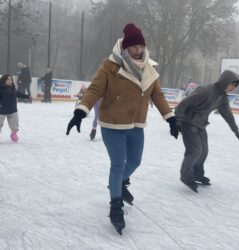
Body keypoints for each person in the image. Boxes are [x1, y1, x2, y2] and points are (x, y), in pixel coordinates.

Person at [66, 23, 178, 235]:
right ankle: (115, 205)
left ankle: (118, 184)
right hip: (113, 123)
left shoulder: (149, 69)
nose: (138, 50)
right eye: (133, 46)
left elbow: (158, 95)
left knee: (135, 161)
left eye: (140, 46)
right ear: (125, 47)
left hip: (136, 123)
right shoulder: (110, 65)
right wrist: (81, 110)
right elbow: (96, 89)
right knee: (117, 165)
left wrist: (170, 118)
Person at [175, 70, 239, 192]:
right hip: (188, 123)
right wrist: (177, 122)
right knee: (195, 151)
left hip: (201, 125)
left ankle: (197, 174)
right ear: (225, 81)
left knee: (204, 151)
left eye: (235, 85)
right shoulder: (206, 91)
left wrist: (236, 131)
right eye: (232, 84)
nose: (233, 87)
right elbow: (182, 104)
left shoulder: (222, 97)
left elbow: (228, 115)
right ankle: (186, 176)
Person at [0, 74, 31, 142]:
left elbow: (17, 94)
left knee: (15, 125)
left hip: (12, 110)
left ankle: (13, 134)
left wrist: (27, 96)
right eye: (8, 79)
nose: (10, 81)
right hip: (1, 111)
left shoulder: (13, 87)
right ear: (4, 80)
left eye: (11, 79)